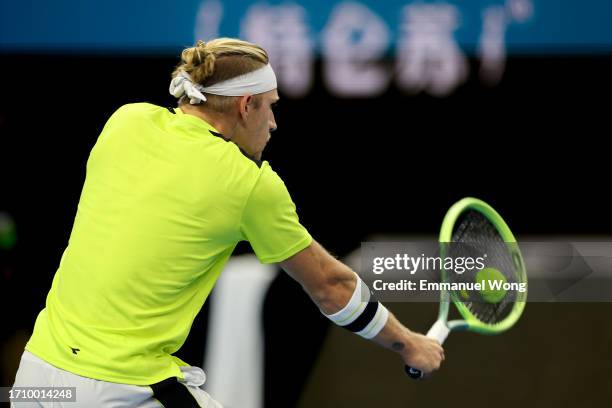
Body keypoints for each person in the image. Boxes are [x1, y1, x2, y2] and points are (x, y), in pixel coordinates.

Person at [11, 38, 444, 407]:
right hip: (120, 390)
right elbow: (332, 287)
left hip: (35, 376)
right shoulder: (248, 184)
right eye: (270, 108)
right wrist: (410, 344)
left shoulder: (125, 122)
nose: (273, 123)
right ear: (245, 105)